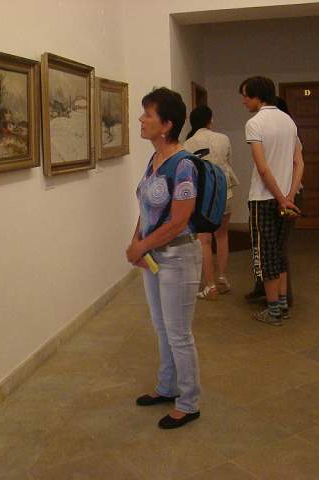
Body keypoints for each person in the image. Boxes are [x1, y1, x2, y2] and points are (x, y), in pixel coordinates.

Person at [126, 87, 202, 429]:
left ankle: (189, 402)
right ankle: (168, 386)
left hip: (179, 258)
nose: (141, 120)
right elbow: (148, 207)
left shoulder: (183, 165)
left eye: (148, 114)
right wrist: (136, 242)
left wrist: (141, 246)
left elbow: (178, 221)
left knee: (179, 333)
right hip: (154, 257)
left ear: (167, 124)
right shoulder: (154, 159)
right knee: (161, 328)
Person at [240, 77, 300, 326]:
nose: (243, 101)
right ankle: (282, 306)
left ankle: (273, 310)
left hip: (263, 198)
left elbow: (263, 168)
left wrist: (280, 198)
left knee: (265, 256)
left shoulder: (255, 123)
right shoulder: (289, 121)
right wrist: (289, 197)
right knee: (278, 252)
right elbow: (298, 163)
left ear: (257, 96)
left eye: (245, 96)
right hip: (283, 198)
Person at [183, 105, 240, 300]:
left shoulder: (187, 144)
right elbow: (228, 163)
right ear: (210, 120)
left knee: (204, 241)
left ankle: (210, 286)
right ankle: (222, 277)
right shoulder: (223, 139)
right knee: (222, 236)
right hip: (225, 193)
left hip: (203, 199)